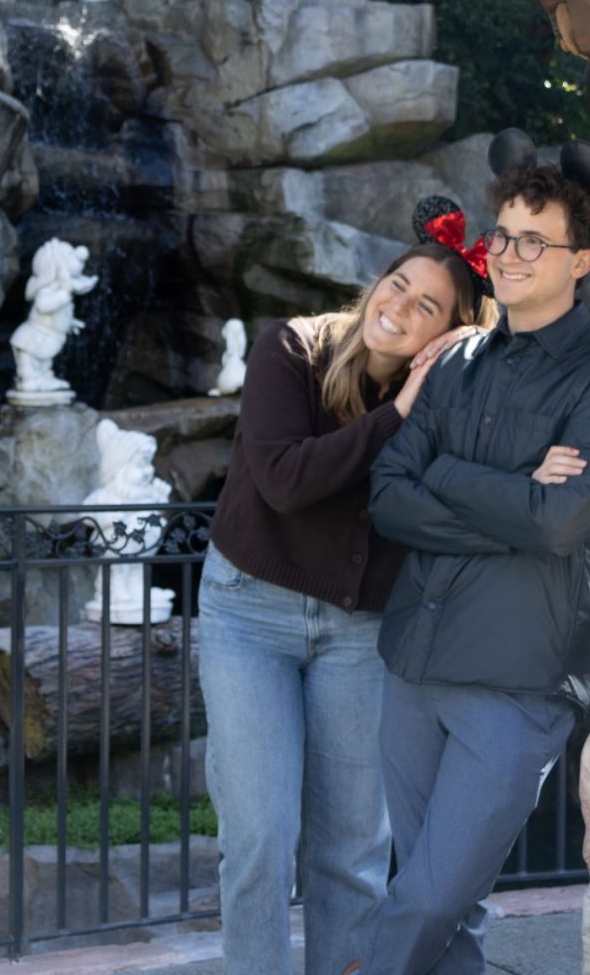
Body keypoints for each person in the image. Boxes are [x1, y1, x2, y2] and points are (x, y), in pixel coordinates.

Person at [351, 136, 590, 975]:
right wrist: (508, 488)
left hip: (517, 679)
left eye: (533, 240)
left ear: (580, 260)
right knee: (451, 902)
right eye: (503, 235)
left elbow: (558, 524)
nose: (508, 255)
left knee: (428, 895)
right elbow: (390, 492)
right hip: (415, 663)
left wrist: (452, 476)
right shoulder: (456, 357)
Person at [198, 216, 498, 975]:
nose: (398, 305)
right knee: (260, 838)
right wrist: (395, 416)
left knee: (352, 851)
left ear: (450, 333)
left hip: (362, 631)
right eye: (398, 283)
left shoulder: (451, 402)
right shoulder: (293, 350)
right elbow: (286, 481)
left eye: (427, 305)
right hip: (250, 613)